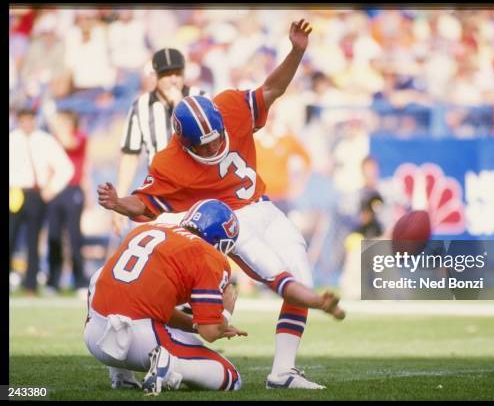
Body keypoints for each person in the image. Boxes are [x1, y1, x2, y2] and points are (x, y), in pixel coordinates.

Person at [98, 19, 344, 389]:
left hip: (263, 205)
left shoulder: (230, 105)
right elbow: (147, 202)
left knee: (301, 272)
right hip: (229, 219)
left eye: (217, 139)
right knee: (285, 279)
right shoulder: (170, 160)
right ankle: (175, 348)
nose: (215, 148)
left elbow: (273, 89)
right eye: (205, 146)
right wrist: (119, 203)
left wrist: (296, 51)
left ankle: (283, 370)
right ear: (184, 143)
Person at [84, 199, 345, 395]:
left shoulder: (147, 231)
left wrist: (196, 323)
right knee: (230, 377)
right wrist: (226, 312)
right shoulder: (207, 256)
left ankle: (120, 374)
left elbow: (157, 308)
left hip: (95, 335)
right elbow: (210, 332)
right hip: (136, 341)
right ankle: (169, 364)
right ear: (222, 241)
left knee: (102, 282)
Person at [112, 47, 206, 235]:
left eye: (177, 73)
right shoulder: (141, 105)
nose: (173, 79)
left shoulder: (199, 97)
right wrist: (121, 200)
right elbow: (130, 155)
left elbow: (209, 145)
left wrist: (181, 106)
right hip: (160, 192)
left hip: (197, 190)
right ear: (155, 75)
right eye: (167, 74)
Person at [9, 106, 74, 295]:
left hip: (36, 195)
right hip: (15, 193)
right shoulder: (12, 140)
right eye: (23, 119)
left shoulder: (45, 141)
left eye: (30, 119)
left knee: (32, 240)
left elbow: (65, 168)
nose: (27, 123)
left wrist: (51, 189)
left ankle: (30, 285)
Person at [44, 109, 89, 296]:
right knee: (53, 235)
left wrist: (54, 124)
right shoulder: (52, 140)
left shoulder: (80, 137)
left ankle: (79, 281)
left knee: (74, 236)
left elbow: (69, 144)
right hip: (56, 190)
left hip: (72, 190)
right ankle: (53, 281)